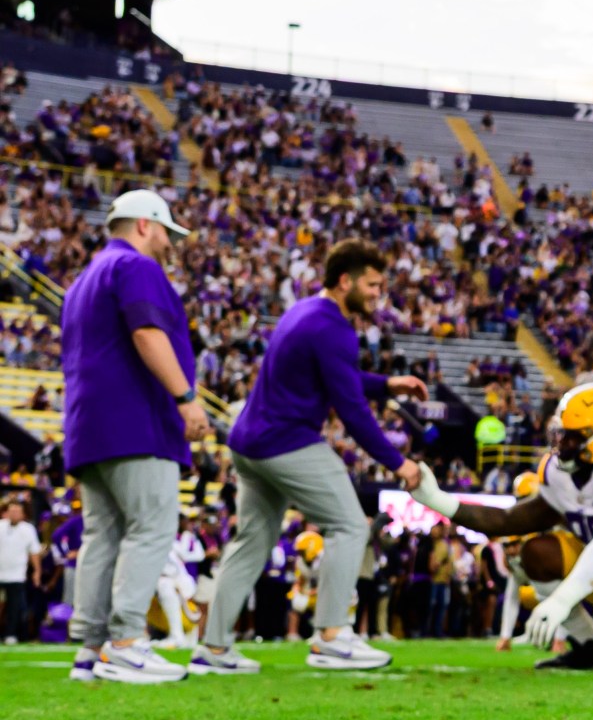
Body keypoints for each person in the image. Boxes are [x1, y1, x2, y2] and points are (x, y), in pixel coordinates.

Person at [193, 239, 425, 673]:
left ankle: (215, 647)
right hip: (286, 441)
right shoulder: (332, 326)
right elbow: (351, 410)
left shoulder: (305, 312)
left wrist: (387, 384)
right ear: (345, 281)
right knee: (349, 525)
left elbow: (342, 375)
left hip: (250, 443)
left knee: (251, 543)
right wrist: (399, 463)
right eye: (372, 284)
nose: (379, 293)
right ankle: (332, 637)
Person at [401, 382, 593, 672]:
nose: (562, 442)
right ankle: (591, 648)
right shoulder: (561, 474)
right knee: (536, 553)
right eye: (562, 432)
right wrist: (436, 499)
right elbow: (508, 521)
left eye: (575, 435)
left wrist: (560, 601)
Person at [60, 189, 210, 685]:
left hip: (89, 426)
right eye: (167, 231)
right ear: (145, 225)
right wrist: (186, 396)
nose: (170, 243)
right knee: (150, 528)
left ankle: (91, 649)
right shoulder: (138, 267)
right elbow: (148, 333)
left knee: (103, 535)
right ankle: (126, 642)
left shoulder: (85, 277)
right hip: (137, 422)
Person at [0, 498, 41, 642]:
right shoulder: (0, 526)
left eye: (17, 511)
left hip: (17, 575)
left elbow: (34, 552)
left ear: (23, 514)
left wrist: (37, 571)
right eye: (12, 511)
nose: (14, 514)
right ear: (7, 512)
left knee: (14, 607)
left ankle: (10, 634)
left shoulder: (28, 529)